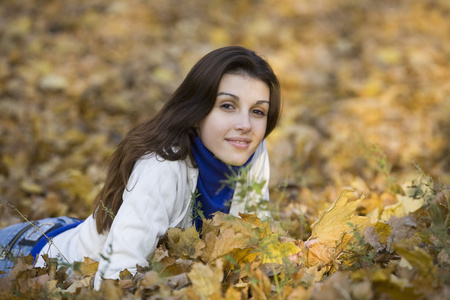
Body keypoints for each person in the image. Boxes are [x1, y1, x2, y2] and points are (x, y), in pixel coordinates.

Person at [0, 46, 281, 289]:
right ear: (196, 112)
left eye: (258, 111)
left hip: (76, 231)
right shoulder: (163, 167)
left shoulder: (251, 152)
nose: (245, 125)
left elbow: (255, 235)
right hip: (28, 255)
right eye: (228, 106)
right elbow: (116, 278)